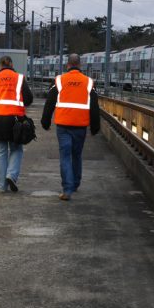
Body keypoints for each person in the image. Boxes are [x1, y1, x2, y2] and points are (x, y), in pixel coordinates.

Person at [41, 53, 100, 201]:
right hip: (80, 125)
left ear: (68, 65)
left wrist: (45, 122)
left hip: (63, 125)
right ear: (80, 65)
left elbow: (49, 102)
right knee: (77, 155)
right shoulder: (88, 82)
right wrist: (95, 127)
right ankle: (75, 183)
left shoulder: (60, 81)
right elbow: (94, 107)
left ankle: (67, 189)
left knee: (65, 156)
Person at [0, 55, 33, 193]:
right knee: (16, 149)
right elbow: (29, 99)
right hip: (16, 119)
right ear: (11, 64)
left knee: (0, 152)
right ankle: (11, 175)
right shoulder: (19, 78)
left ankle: (1, 186)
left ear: (0, 66)